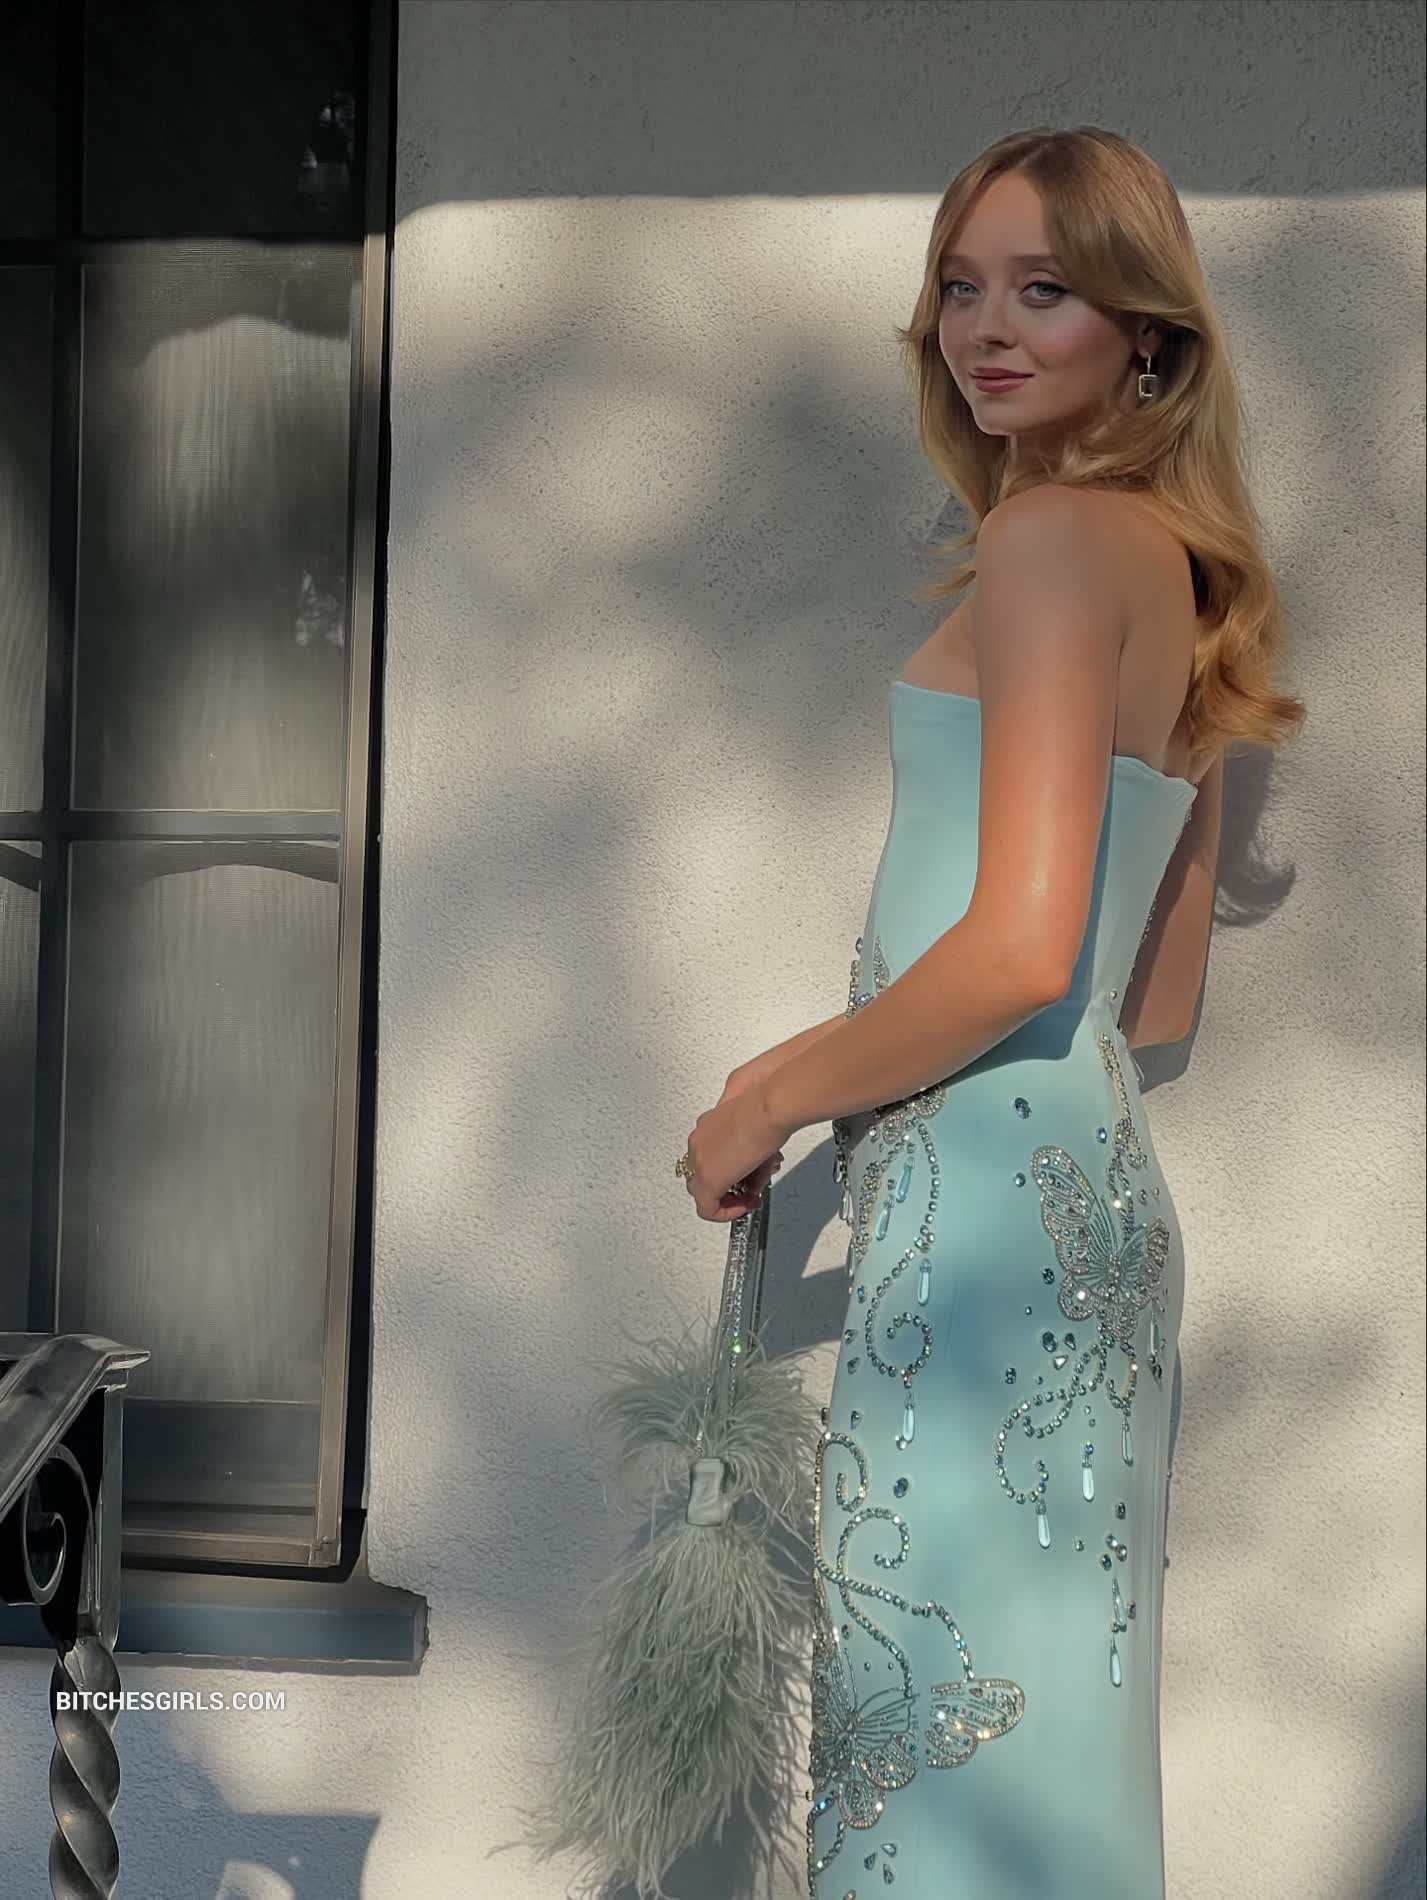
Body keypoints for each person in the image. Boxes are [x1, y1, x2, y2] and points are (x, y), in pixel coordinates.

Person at [675, 125, 1306, 1900]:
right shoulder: (1183, 575)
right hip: (1091, 1215)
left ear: (1148, 333)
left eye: (1045, 288)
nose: (985, 328)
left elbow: (1026, 950)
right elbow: (1150, 997)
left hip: (977, 1226)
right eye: (961, 285)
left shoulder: (1041, 543)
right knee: (1044, 1778)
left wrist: (770, 1099)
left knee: (938, 1782)